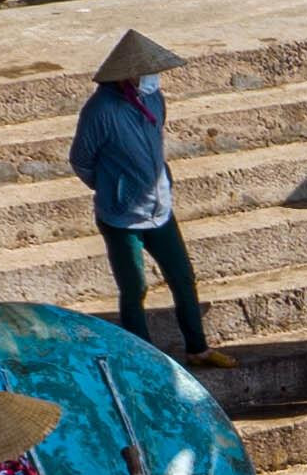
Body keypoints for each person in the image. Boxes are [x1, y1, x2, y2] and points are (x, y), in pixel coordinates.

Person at [70, 27, 206, 361]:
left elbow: (157, 138)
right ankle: (141, 357)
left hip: (160, 209)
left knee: (183, 278)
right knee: (134, 288)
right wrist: (114, 188)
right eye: (146, 73)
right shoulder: (100, 111)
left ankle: (198, 348)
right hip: (121, 217)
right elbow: (81, 160)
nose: (153, 78)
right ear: (127, 76)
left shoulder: (153, 99)